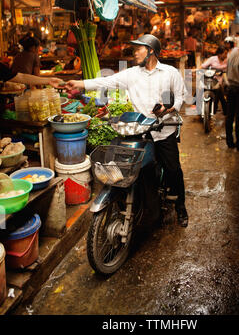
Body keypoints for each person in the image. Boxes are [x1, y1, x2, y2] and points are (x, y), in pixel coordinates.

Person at [65, 34, 189, 227]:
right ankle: (150, 209)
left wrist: (170, 108)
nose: (135, 52)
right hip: (140, 131)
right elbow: (105, 82)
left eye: (139, 48)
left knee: (173, 170)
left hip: (163, 130)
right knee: (143, 171)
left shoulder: (169, 72)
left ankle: (181, 206)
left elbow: (181, 95)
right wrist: (79, 83)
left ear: (151, 51)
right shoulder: (131, 74)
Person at [200, 45, 228, 115]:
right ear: (219, 54)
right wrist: (197, 71)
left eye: (226, 53)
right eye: (225, 53)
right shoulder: (212, 59)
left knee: (221, 96)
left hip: (219, 82)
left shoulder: (227, 60)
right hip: (210, 80)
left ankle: (225, 112)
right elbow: (203, 66)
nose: (226, 55)